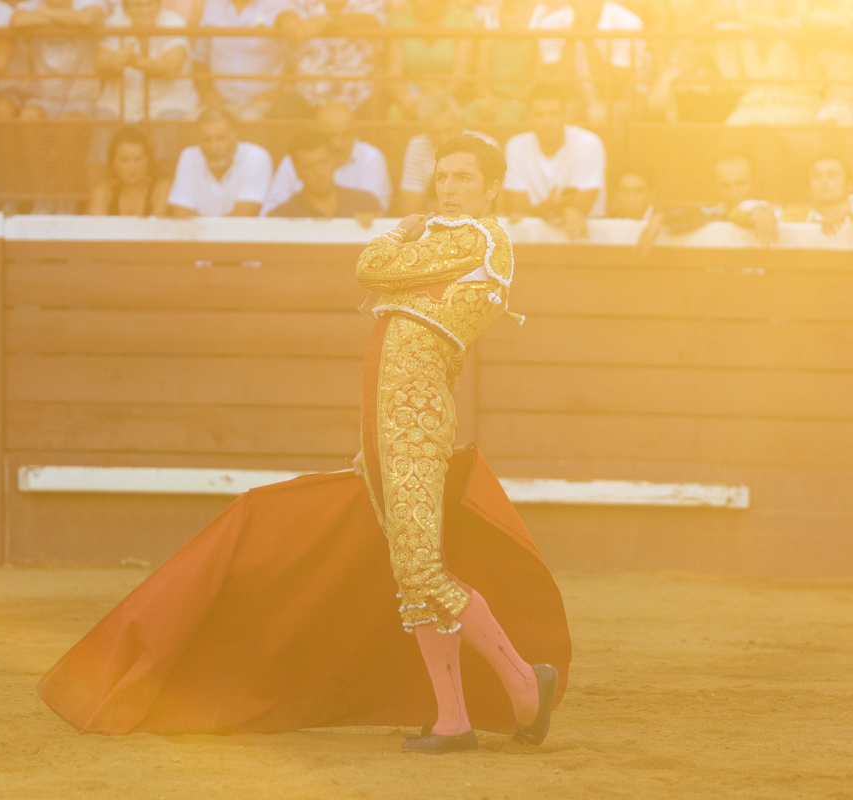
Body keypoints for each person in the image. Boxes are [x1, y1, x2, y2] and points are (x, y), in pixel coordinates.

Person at [36, 135, 570, 752]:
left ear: (491, 188)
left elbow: (369, 267)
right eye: (442, 178)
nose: (448, 189)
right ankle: (452, 718)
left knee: (423, 566)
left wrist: (398, 235)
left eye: (462, 179)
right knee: (411, 571)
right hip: (386, 417)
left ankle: (525, 684)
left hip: (417, 418)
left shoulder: (475, 238)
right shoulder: (447, 243)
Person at [503, 84, 607, 241]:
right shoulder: (516, 146)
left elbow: (581, 209)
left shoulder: (588, 143)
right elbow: (519, 211)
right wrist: (551, 207)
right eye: (539, 115)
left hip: (583, 240)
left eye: (553, 114)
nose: (547, 122)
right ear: (530, 116)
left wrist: (540, 211)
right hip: (532, 242)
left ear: (565, 115)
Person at [730, 154, 853, 243]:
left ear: (849, 185)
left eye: (832, 175)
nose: (824, 181)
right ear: (808, 187)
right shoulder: (792, 216)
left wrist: (849, 208)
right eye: (816, 176)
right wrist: (760, 211)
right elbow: (735, 212)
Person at [261, 101, 391, 214]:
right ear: (317, 130)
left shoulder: (371, 157)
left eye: (346, 134)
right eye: (331, 135)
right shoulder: (294, 158)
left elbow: (376, 214)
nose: (338, 144)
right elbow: (270, 215)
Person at [529, 0, 644, 123]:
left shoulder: (627, 23)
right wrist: (571, 39)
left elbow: (615, 91)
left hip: (623, 98)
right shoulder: (550, 24)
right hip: (573, 97)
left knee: (599, 114)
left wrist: (588, 39)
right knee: (554, 115)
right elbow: (557, 86)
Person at [191, 0, 300, 121]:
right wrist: (207, 93)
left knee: (250, 119)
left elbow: (295, 56)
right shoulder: (212, 5)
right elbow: (200, 56)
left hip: (262, 102)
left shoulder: (279, 5)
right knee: (190, 121)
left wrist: (279, 92)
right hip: (221, 101)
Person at [634, 151, 760, 254]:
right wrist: (660, 217)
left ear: (756, 184)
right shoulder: (714, 213)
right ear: (715, 188)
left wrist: (760, 211)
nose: (733, 193)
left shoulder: (773, 213)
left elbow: (758, 211)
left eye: (741, 184)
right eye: (724, 185)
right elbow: (693, 213)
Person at [395, 91, 499, 215]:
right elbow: (410, 210)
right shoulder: (417, 147)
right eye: (435, 132)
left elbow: (495, 208)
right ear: (425, 130)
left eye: (448, 130)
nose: (444, 139)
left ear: (462, 123)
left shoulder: (487, 145)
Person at [95, 0, 198, 124]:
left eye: (150, 4)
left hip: (168, 102)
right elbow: (100, 63)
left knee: (162, 140)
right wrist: (114, 62)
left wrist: (133, 60)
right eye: (138, 5)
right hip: (117, 103)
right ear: (126, 8)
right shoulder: (113, 22)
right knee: (101, 142)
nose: (145, 10)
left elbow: (172, 66)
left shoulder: (174, 22)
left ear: (159, 5)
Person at [278, 0, 384, 119]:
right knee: (284, 111)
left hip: (358, 93)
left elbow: (372, 20)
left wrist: (326, 21)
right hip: (309, 92)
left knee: (376, 113)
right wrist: (288, 21)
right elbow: (288, 15)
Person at [168, 108, 273, 217]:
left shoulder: (256, 157)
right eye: (207, 139)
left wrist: (201, 228)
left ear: (235, 135)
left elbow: (241, 218)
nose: (214, 148)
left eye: (221, 138)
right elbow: (180, 214)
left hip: (241, 234)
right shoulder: (189, 156)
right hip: (199, 233)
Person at [11, 0, 107, 120]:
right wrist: (69, 19)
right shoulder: (29, 5)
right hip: (42, 96)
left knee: (68, 123)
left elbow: (87, 19)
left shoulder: (91, 3)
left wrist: (42, 13)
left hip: (81, 97)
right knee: (28, 117)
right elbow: (18, 21)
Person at [385, 0, 477, 120]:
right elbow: (393, 76)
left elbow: (459, 76)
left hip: (451, 98)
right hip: (411, 99)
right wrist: (406, 99)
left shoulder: (464, 19)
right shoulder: (397, 20)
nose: (423, 5)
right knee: (395, 118)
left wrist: (432, 102)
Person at [267, 129, 382, 219]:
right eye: (309, 166)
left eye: (323, 162)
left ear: (334, 161)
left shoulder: (366, 204)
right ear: (297, 171)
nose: (319, 172)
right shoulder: (283, 215)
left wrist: (374, 227)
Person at [87, 126, 172, 216]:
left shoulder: (162, 187)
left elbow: (156, 227)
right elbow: (96, 227)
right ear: (113, 162)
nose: (132, 167)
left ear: (148, 160)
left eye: (138, 159)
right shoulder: (104, 190)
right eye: (124, 160)